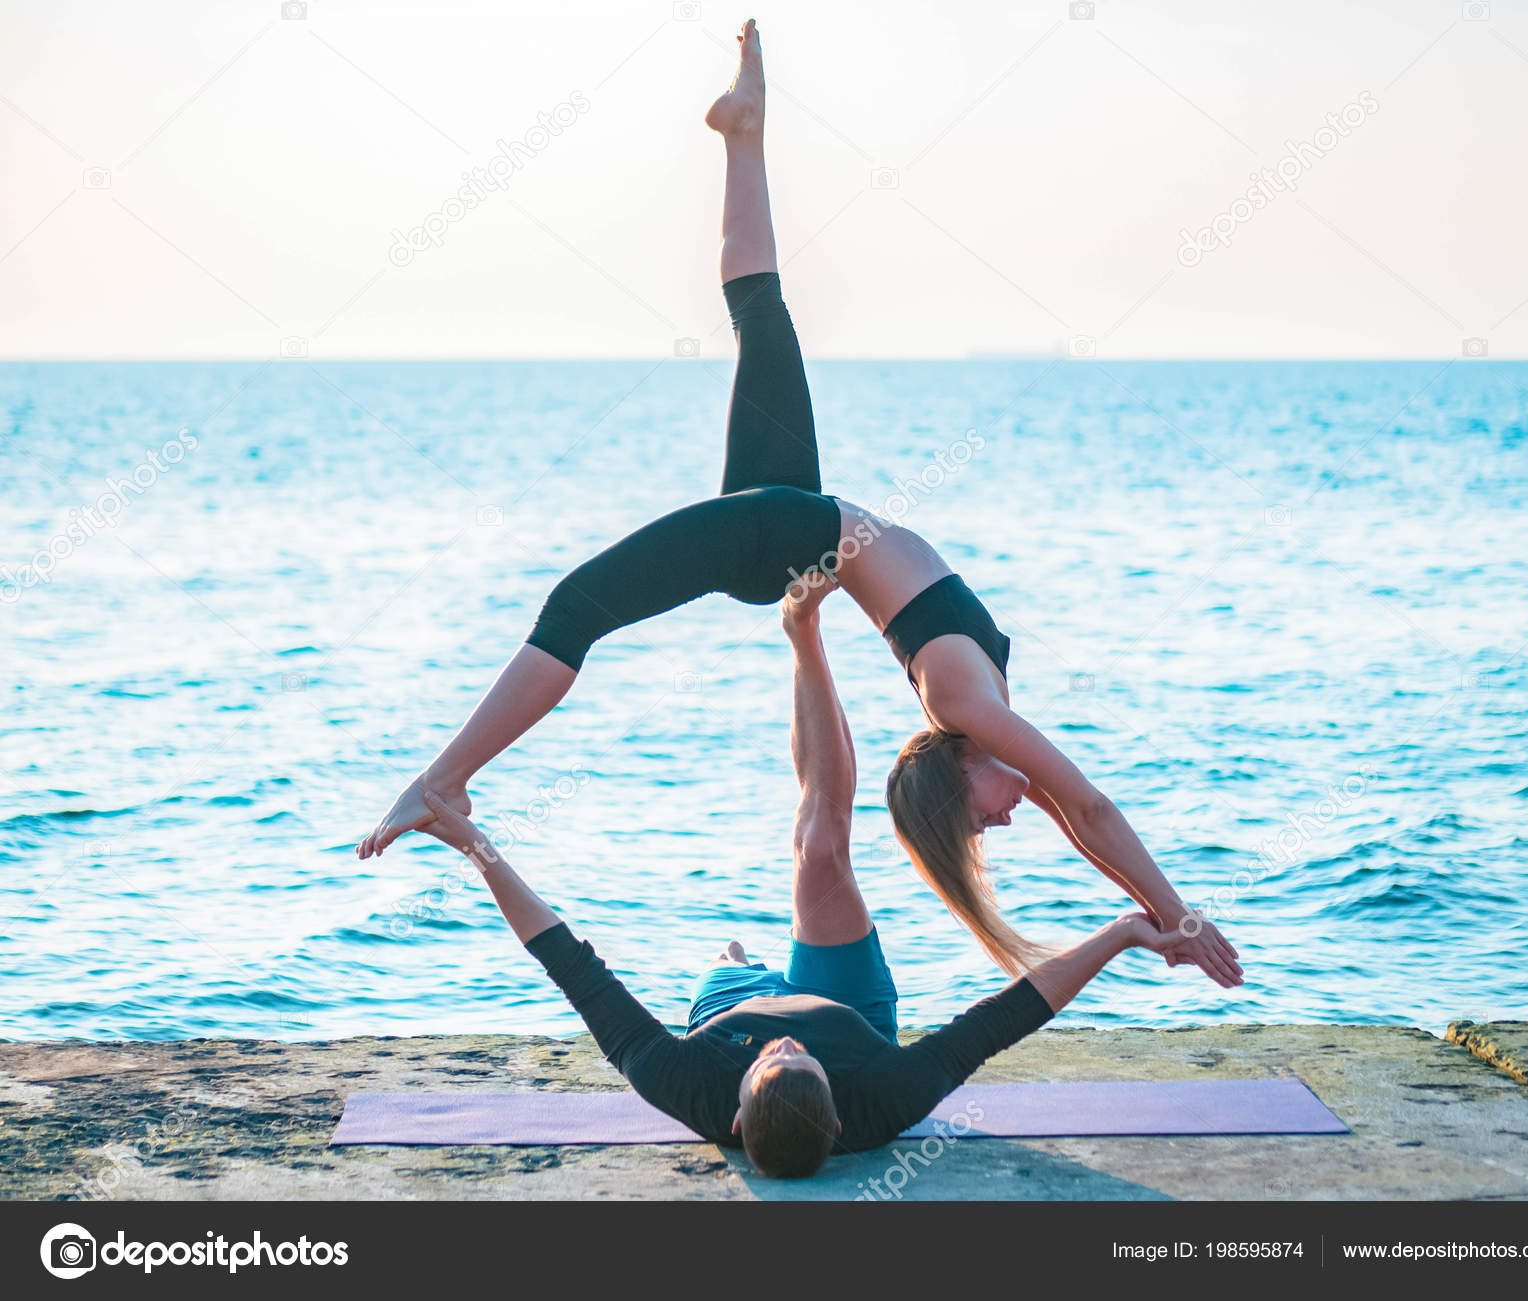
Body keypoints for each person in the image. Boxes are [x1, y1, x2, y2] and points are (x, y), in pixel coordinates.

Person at [359, 20, 1242, 990]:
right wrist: (1172, 913)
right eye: (996, 819)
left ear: (957, 772)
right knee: (760, 316)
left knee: (578, 606)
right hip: (795, 524)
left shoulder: (959, 700)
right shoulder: (967, 699)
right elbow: (1090, 809)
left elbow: (1086, 810)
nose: (1006, 815)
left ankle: (445, 780)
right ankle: (744, 131)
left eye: (982, 822)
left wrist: (1168, 914)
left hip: (787, 535)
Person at [412, 593, 1186, 1179]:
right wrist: (1120, 933)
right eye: (802, 1057)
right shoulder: (884, 1097)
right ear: (837, 1098)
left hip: (726, 1001)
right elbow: (1006, 1015)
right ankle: (805, 628)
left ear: (740, 1111)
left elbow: (570, 963)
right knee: (822, 848)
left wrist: (477, 847)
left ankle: (801, 629)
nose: (788, 1043)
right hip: (847, 1006)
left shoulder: (683, 1082)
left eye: (774, 1058)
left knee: (780, 891)